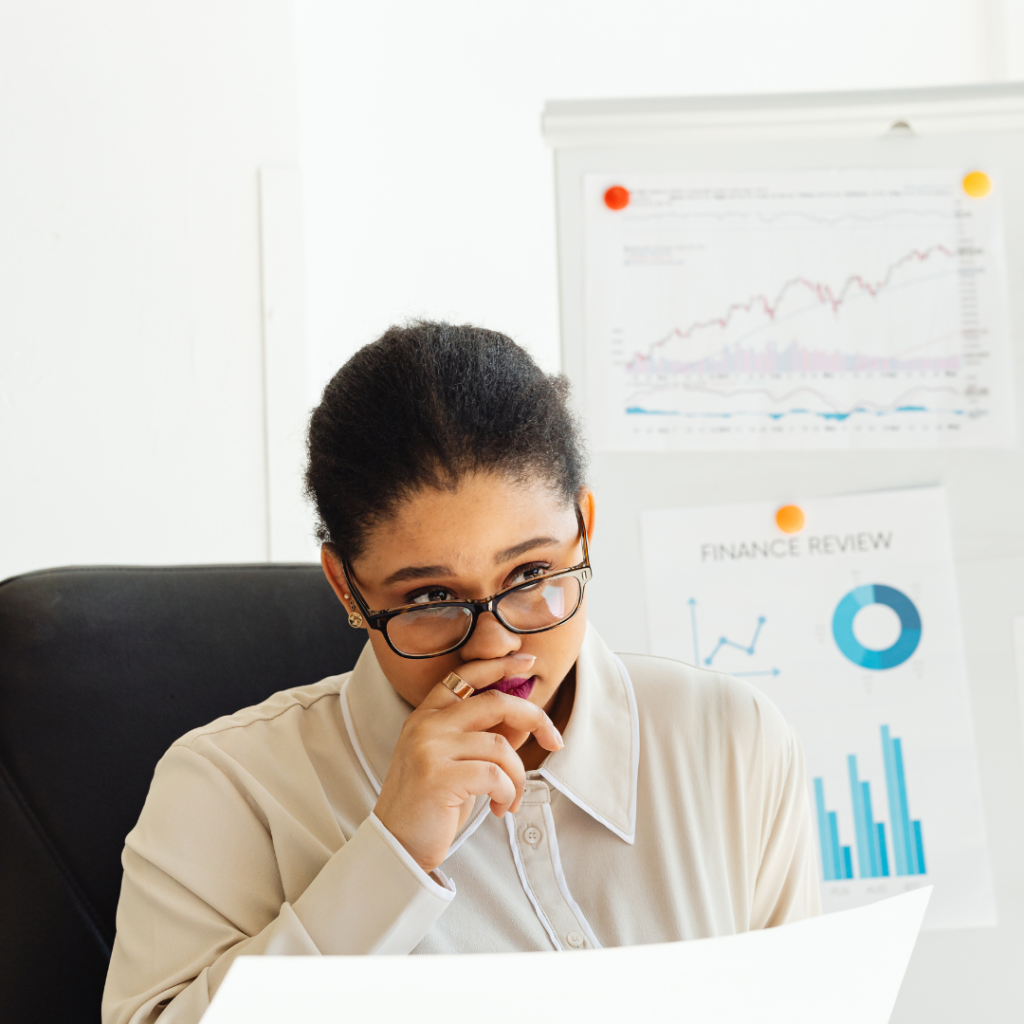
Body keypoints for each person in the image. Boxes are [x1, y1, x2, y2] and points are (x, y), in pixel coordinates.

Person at [102, 322, 820, 1024]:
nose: (495, 645)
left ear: (585, 528)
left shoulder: (731, 739)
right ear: (347, 589)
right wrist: (393, 854)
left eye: (533, 573)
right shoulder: (229, 786)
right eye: (430, 598)